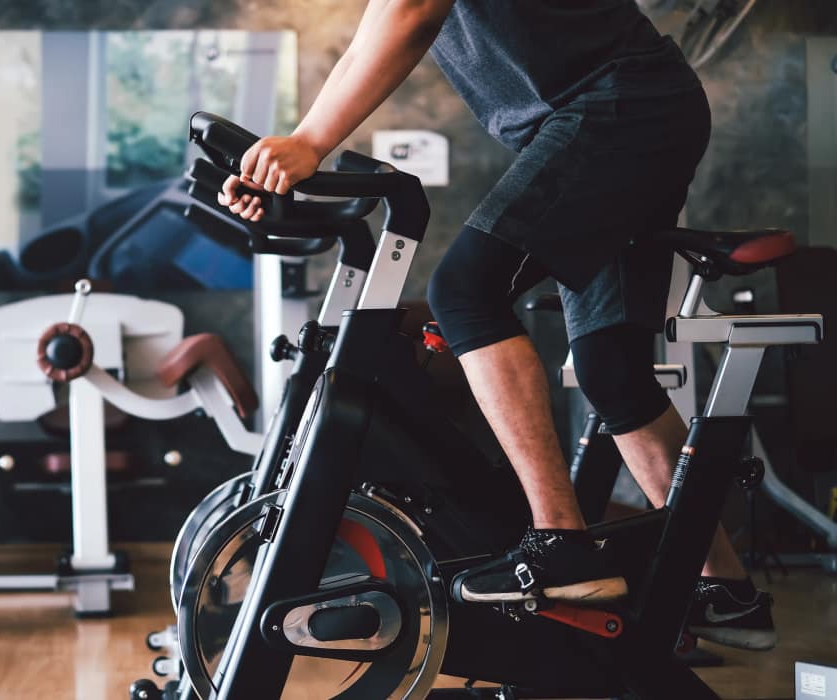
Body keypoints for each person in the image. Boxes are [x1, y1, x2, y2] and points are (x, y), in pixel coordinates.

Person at [217, 0, 776, 651]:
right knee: (611, 367)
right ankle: (724, 593)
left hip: (613, 106)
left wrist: (310, 143)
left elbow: (412, 11)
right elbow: (382, 22)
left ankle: (559, 544)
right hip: (632, 107)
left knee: (464, 293)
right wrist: (288, 157)